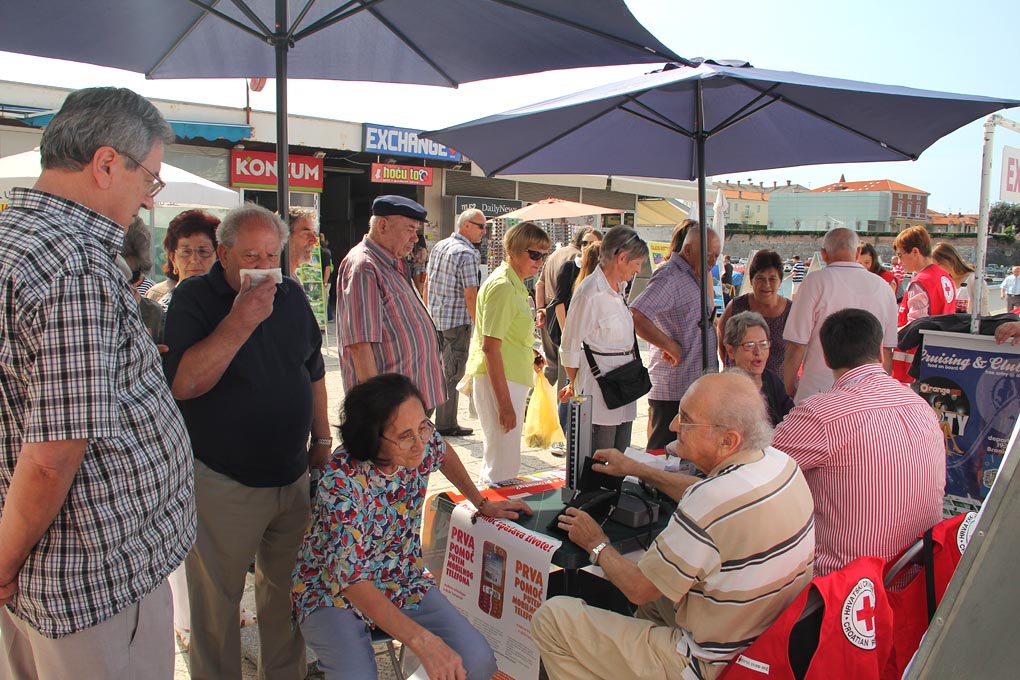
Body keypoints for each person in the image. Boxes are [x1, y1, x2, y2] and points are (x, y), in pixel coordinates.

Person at [0, 86, 193, 678]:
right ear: (107, 163)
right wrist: (4, 562)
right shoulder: (75, 265)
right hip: (90, 582)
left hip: (63, 573)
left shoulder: (17, 237)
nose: (148, 200)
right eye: (150, 179)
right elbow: (52, 458)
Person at [531, 372, 815, 680]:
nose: (673, 426)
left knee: (552, 618)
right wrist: (637, 469)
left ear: (727, 440)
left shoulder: (710, 502)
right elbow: (702, 491)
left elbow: (638, 588)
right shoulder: (780, 464)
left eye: (686, 419)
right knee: (660, 598)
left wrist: (596, 543)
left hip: (712, 664)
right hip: (763, 640)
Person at [163, 203, 331, 679]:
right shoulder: (195, 298)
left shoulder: (292, 296)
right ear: (223, 254)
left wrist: (321, 438)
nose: (263, 267)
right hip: (223, 478)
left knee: (287, 595)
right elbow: (184, 383)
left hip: (291, 473)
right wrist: (241, 320)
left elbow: (313, 368)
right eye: (251, 255)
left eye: (271, 255)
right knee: (217, 606)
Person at [293, 374, 530, 680]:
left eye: (423, 427)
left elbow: (442, 451)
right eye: (405, 435)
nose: (420, 444)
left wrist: (482, 503)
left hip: (402, 577)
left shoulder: (419, 445)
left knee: (478, 662)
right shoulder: (342, 482)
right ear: (371, 438)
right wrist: (423, 641)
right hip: (332, 591)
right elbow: (351, 580)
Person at [773, 308, 945, 576]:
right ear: (879, 352)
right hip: (918, 582)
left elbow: (759, 472)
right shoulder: (920, 405)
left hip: (844, 591)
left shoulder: (821, 415)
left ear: (827, 358)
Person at [336, 195, 446, 412]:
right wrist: (379, 409)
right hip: (392, 406)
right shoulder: (364, 267)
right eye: (409, 229)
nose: (415, 238)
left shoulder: (393, 261)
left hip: (411, 398)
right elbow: (360, 345)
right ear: (383, 225)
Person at [465, 221, 551, 485]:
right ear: (513, 250)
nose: (539, 261)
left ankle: (493, 513)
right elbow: (490, 348)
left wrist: (530, 353)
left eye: (543, 255)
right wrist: (504, 405)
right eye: (534, 254)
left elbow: (505, 337)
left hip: (509, 376)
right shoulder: (503, 285)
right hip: (500, 380)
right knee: (501, 463)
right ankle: (492, 517)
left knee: (503, 459)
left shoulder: (513, 283)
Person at [631, 224, 721, 450]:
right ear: (688, 250)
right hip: (674, 389)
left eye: (716, 256)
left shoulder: (696, 275)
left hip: (694, 384)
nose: (712, 261)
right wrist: (670, 346)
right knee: (663, 452)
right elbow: (637, 315)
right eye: (708, 255)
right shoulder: (670, 275)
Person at [783, 227, 898, 404]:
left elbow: (797, 344)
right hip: (868, 395)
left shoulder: (814, 282)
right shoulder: (884, 288)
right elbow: (887, 351)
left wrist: (789, 385)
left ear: (823, 254)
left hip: (818, 392)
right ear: (858, 251)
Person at [558, 227, 648, 451]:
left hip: (625, 386)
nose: (638, 270)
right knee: (599, 459)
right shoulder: (589, 292)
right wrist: (577, 386)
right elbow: (569, 348)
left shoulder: (620, 288)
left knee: (621, 454)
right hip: (599, 391)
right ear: (621, 258)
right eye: (637, 263)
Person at [425, 208, 486, 437]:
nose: (484, 232)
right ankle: (444, 423)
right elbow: (471, 294)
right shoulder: (467, 253)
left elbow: (427, 283)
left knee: (439, 370)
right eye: (481, 227)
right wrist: (479, 325)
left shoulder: (440, 246)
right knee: (453, 373)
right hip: (456, 322)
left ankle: (430, 419)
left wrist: (426, 312)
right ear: (466, 225)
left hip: (437, 319)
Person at [536, 227, 599, 394]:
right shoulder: (574, 261)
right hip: (563, 319)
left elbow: (540, 284)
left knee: (553, 366)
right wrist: (567, 332)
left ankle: (535, 402)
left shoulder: (554, 255)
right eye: (585, 243)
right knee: (564, 369)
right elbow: (561, 300)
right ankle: (543, 405)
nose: (587, 247)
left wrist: (540, 308)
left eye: (591, 243)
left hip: (550, 317)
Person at [717, 249, 791, 376]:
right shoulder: (736, 306)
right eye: (760, 278)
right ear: (751, 281)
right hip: (740, 384)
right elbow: (722, 341)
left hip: (779, 389)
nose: (766, 284)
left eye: (772, 279)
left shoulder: (791, 312)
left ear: (780, 282)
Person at [724, 311, 794, 426]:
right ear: (731, 351)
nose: (758, 352)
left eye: (763, 344)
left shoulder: (772, 380)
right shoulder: (724, 390)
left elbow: (791, 419)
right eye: (750, 345)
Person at [154, 208, 220, 310]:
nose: (194, 259)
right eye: (186, 252)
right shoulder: (162, 312)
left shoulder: (232, 307)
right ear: (173, 259)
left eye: (203, 252)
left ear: (219, 256)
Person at [932, 241, 989, 316]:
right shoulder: (944, 281)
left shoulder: (974, 280)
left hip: (969, 324)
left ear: (949, 260)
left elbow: (983, 309)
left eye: (938, 265)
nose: (937, 269)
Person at [287, 207, 319, 277]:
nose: (315, 241)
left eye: (314, 233)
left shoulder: (292, 278)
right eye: (306, 234)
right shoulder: (272, 282)